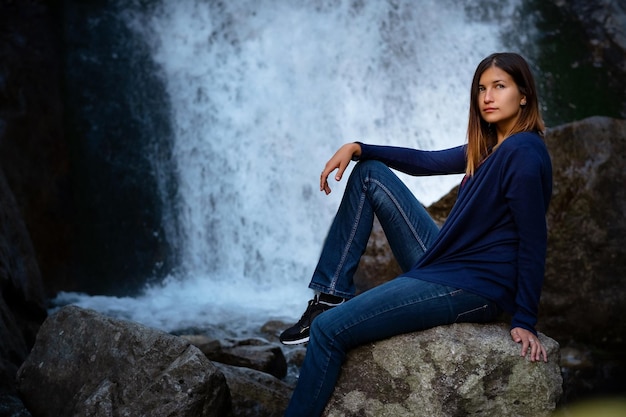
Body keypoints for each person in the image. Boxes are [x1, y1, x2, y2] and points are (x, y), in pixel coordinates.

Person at [281, 52, 552, 417]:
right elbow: (426, 162)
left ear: (523, 95)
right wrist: (359, 148)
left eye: (499, 87)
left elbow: (534, 240)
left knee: (329, 332)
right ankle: (329, 296)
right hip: (449, 263)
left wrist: (524, 319)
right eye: (481, 89)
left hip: (476, 284)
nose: (487, 97)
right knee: (370, 174)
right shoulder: (490, 147)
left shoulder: (522, 151)